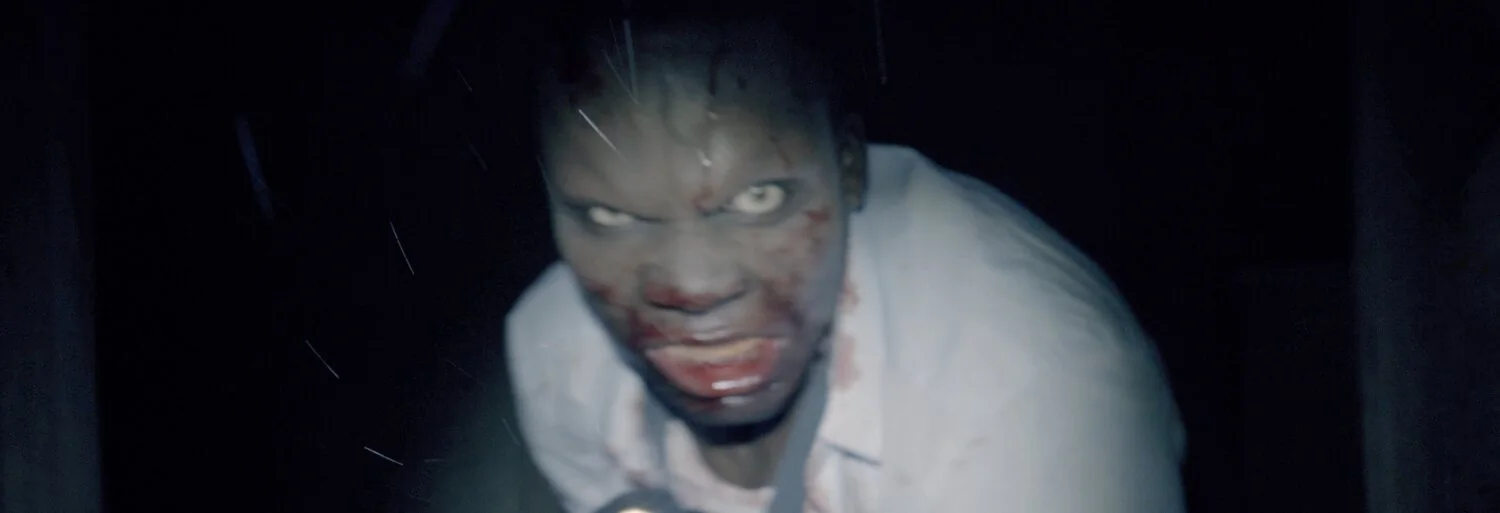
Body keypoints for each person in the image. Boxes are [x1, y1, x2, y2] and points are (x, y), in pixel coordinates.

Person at [506, 11, 1187, 513]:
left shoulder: (1037, 418)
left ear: (849, 166)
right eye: (611, 217)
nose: (692, 286)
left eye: (758, 198)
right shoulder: (558, 354)